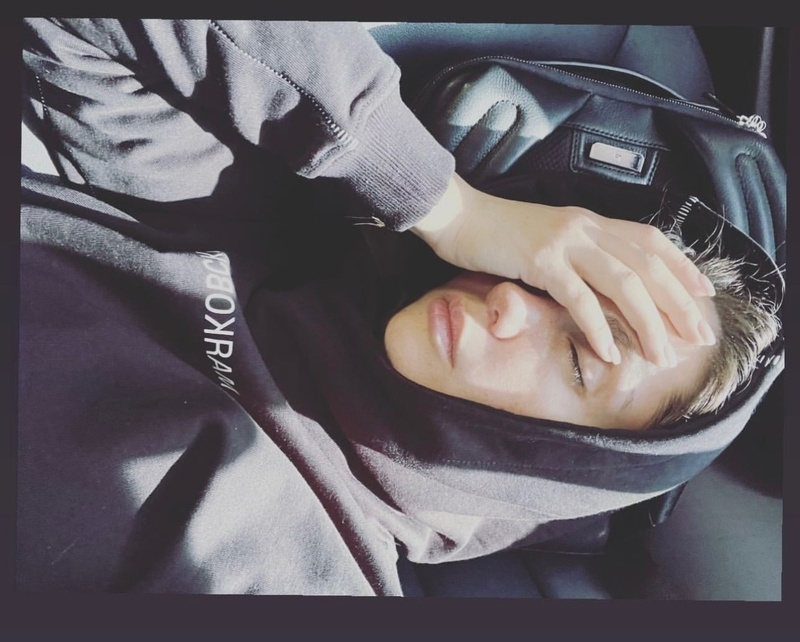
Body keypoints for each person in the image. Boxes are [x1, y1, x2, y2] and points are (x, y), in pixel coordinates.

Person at [18, 19, 783, 595]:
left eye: (581, 360)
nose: (510, 305)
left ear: (559, 469)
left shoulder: (302, 568)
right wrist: (449, 207)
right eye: (559, 286)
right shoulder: (238, 219)